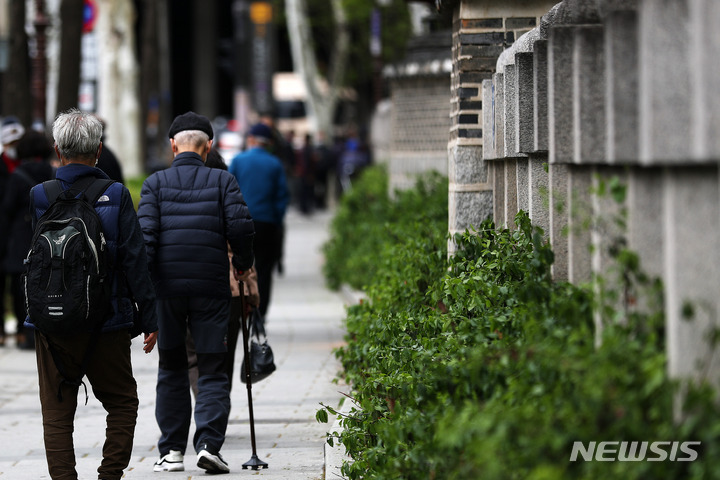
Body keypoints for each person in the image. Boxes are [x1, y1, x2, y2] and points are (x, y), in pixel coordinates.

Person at [25, 109, 158, 480]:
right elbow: (136, 260)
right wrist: (150, 318)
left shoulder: (39, 195)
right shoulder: (115, 194)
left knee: (55, 412)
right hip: (108, 319)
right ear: (98, 151)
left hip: (52, 324)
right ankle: (109, 475)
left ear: (57, 150)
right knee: (121, 402)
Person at [137, 112, 255, 475]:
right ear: (209, 147)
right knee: (212, 368)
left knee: (171, 368)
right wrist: (242, 266)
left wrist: (145, 298)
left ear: (173, 146)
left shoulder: (154, 184)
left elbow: (145, 241)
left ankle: (172, 451)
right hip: (211, 289)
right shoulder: (223, 181)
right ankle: (208, 445)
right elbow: (240, 227)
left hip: (167, 291)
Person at [186, 149, 261, 396]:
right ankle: (217, 411)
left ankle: (205, 404)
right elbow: (243, 248)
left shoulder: (180, 198)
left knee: (195, 355)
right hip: (231, 289)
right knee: (223, 356)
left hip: (190, 288)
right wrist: (252, 294)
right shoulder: (231, 199)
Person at [0, 129, 55, 350]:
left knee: (20, 286)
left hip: (22, 239)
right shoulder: (52, 173)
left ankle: (26, 332)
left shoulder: (18, 176)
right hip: (48, 237)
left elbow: (7, 210)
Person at [229, 123, 290, 318]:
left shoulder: (238, 161)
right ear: (268, 143)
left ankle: (242, 307)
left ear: (251, 139)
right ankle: (260, 312)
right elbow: (283, 195)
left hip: (240, 222)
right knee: (264, 269)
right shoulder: (275, 163)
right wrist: (275, 217)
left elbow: (228, 191)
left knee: (241, 266)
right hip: (267, 223)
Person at [0, 116, 25, 346]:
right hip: (2, 232)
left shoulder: (23, 169)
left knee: (19, 285)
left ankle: (20, 328)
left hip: (18, 234)